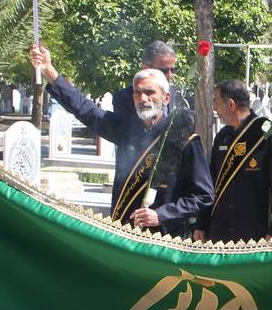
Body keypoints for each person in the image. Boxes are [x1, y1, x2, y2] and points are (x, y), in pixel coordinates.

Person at [31, 42, 211, 235]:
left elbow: (203, 195)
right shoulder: (124, 129)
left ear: (166, 98)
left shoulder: (185, 139)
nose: (143, 98)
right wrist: (49, 71)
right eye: (138, 93)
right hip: (124, 231)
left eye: (150, 92)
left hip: (164, 238)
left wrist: (162, 214)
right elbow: (85, 109)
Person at [194, 79, 272, 242]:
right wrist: (201, 224)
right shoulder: (222, 137)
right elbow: (210, 184)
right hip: (220, 231)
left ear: (231, 104)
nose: (214, 108)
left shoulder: (268, 134)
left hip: (254, 232)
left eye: (216, 103)